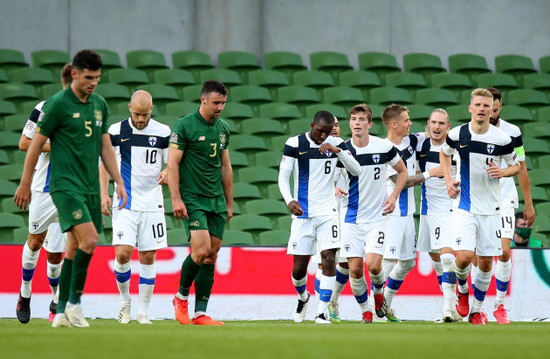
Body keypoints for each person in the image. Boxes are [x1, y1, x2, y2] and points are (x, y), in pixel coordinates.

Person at [14, 49, 128, 328]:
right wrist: (25, 183)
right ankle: (33, 296)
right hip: (54, 186)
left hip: (87, 185)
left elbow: (104, 146)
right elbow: (30, 144)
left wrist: (118, 181)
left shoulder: (99, 103)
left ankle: (61, 308)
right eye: (89, 77)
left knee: (67, 251)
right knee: (48, 241)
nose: (94, 83)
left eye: (98, 78)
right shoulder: (52, 105)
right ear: (74, 75)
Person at [440, 88, 520, 325]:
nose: (483, 109)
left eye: (487, 105)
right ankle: (463, 290)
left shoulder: (502, 139)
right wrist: (447, 179)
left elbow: (515, 166)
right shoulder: (457, 134)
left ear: (492, 108)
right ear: (470, 108)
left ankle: (477, 310)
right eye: (478, 105)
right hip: (465, 206)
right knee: (464, 258)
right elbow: (445, 155)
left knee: (486, 263)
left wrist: (503, 171)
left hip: (493, 209)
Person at [278, 110, 361, 324]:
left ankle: (322, 312)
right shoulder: (295, 143)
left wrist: (338, 151)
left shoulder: (337, 143)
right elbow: (283, 176)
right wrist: (289, 200)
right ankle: (303, 297)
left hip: (328, 213)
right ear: (312, 125)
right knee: (298, 270)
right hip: (303, 214)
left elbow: (356, 170)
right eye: (320, 131)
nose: (323, 136)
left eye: (327, 132)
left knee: (328, 260)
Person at [100, 90, 170, 325]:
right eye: (137, 114)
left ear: (152, 109)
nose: (141, 119)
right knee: (122, 254)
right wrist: (103, 193)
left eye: (145, 114)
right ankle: (125, 301)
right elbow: (104, 164)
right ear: (129, 108)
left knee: (148, 257)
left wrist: (168, 171)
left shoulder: (163, 132)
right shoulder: (115, 131)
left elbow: (172, 164)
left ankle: (143, 312)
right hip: (125, 202)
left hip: (152, 203)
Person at [168, 80, 233, 326]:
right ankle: (180, 296)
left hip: (216, 198)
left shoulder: (224, 128)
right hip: (192, 198)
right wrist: (176, 199)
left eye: (223, 103)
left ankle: (200, 314)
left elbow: (226, 166)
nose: (220, 108)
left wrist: (229, 202)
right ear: (203, 99)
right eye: (216, 103)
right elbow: (172, 165)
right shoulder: (184, 126)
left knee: (212, 255)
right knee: (202, 250)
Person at [337, 104, 407, 323]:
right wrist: (333, 187)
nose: (357, 123)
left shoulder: (383, 146)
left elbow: (403, 172)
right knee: (355, 270)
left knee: (374, 265)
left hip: (377, 217)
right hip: (351, 218)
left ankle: (378, 293)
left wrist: (393, 196)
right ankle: (365, 310)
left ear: (370, 124)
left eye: (361, 119)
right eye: (353, 119)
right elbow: (327, 176)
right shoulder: (343, 149)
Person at [15, 63, 72, 324]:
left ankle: (56, 298)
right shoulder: (45, 107)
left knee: (55, 254)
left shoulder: (87, 113)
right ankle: (25, 294)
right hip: (43, 188)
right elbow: (24, 143)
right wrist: (55, 144)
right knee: (35, 242)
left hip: (70, 189)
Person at [483, 87, 536, 324]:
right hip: (478, 200)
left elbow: (521, 167)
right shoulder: (469, 131)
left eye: (494, 108)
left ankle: (500, 305)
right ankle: (478, 309)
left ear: (500, 107)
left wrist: (529, 202)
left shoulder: (512, 132)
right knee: (479, 256)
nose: (490, 112)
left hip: (504, 197)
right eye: (486, 107)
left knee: (503, 252)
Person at [380, 104, 428, 322]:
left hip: (408, 212)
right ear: (394, 124)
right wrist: (430, 174)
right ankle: (373, 304)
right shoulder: (383, 149)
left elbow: (430, 133)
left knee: (408, 262)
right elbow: (400, 180)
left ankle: (385, 302)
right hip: (392, 211)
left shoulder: (412, 140)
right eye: (406, 120)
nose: (410, 123)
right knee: (388, 260)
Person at [416, 109, 461, 322]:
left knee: (447, 257)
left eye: (441, 123)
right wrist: (429, 174)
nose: (437, 127)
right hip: (428, 211)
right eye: (434, 122)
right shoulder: (421, 146)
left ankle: (447, 308)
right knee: (437, 258)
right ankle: (453, 300)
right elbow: (409, 176)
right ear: (428, 123)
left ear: (448, 126)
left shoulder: (457, 148)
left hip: (452, 208)